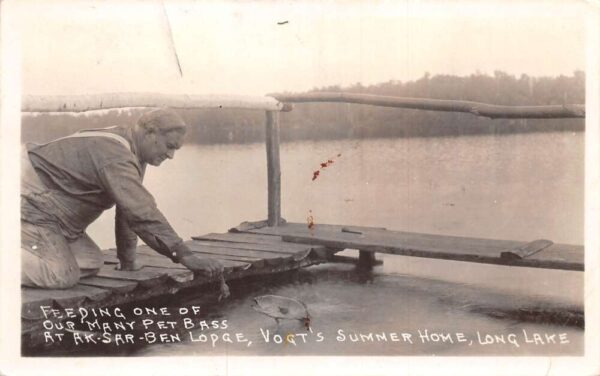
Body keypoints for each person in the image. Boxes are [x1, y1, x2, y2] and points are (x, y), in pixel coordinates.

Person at [21, 108, 224, 289]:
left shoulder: (133, 151)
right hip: (29, 203)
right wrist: (185, 256)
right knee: (61, 276)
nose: (171, 155)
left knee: (90, 261)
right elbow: (142, 213)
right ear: (149, 133)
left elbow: (128, 210)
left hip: (55, 217)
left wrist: (127, 261)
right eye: (169, 146)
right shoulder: (116, 155)